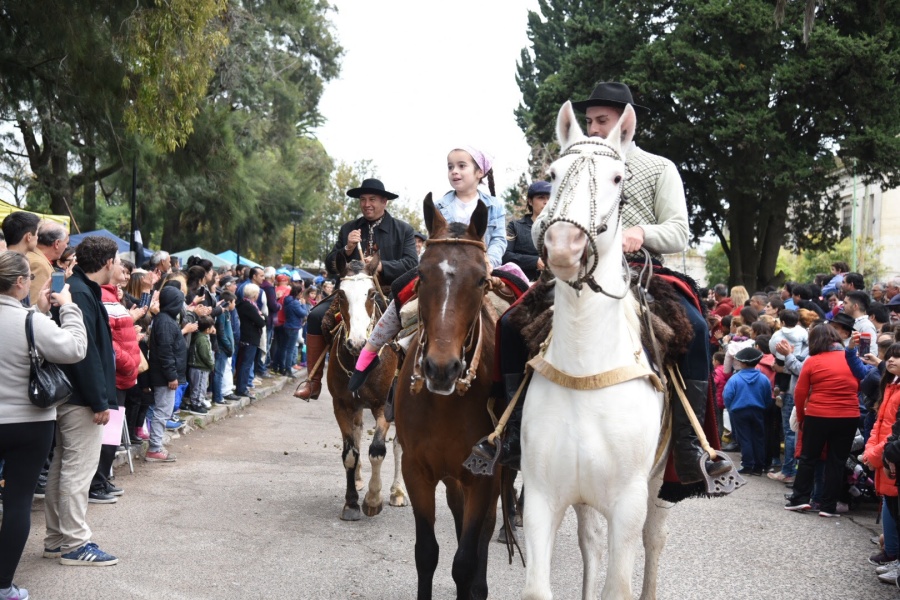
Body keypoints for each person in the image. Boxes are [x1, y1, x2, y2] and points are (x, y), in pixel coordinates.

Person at [499, 82, 729, 486]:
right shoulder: (574, 163)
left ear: (626, 125)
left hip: (645, 271)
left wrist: (640, 231)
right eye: (588, 121)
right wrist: (547, 232)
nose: (592, 128)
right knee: (508, 324)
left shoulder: (659, 168)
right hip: (575, 269)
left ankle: (690, 445)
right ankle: (513, 431)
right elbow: (543, 223)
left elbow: (678, 232)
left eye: (602, 121)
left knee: (695, 328)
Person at [347, 146, 507, 389]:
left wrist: (490, 261)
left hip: (480, 269)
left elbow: (499, 240)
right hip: (443, 269)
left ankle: (516, 378)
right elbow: (435, 240)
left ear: (479, 173)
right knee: (401, 291)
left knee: (521, 291)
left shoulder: (494, 205)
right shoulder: (441, 204)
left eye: (462, 166)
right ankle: (369, 352)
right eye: (450, 166)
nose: (455, 171)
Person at [0, 251, 87, 600]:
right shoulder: (31, 323)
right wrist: (66, 307)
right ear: (21, 282)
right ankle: (3, 585)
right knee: (18, 501)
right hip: (29, 422)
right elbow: (75, 348)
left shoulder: (31, 319)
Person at [294, 178, 418, 400]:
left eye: (372, 199)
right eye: (363, 200)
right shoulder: (348, 229)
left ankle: (410, 383)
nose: (367, 204)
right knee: (316, 316)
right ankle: (313, 382)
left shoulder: (404, 230)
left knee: (412, 321)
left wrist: (381, 266)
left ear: (384, 202)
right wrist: (347, 248)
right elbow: (331, 264)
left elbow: (412, 265)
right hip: (350, 294)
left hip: (386, 293)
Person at [44, 236, 120, 566]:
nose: (119, 267)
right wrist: (99, 400)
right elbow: (84, 354)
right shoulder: (81, 292)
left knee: (63, 468)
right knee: (77, 471)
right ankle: (75, 543)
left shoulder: (76, 288)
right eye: (117, 261)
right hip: (80, 398)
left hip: (71, 395)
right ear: (107, 263)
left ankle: (57, 539)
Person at [785, 324, 861, 517]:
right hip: (849, 415)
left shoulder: (813, 361)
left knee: (809, 458)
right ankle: (828, 506)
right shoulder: (852, 359)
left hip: (818, 414)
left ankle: (800, 499)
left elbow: (800, 393)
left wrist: (802, 418)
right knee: (837, 461)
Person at [89, 256, 144, 504]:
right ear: (107, 266)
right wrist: (128, 361)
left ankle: (101, 479)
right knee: (105, 435)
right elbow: (106, 339)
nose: (124, 269)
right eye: (120, 264)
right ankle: (96, 482)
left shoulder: (112, 295)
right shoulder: (102, 296)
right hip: (116, 373)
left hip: (122, 376)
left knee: (111, 437)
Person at [146, 285, 191, 462]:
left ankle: (156, 444)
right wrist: (172, 376)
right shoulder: (164, 322)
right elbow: (165, 352)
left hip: (167, 376)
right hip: (165, 377)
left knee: (164, 411)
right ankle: (155, 448)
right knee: (162, 412)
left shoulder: (167, 319)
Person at [723, 347, 772, 475]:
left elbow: (727, 396)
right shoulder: (764, 379)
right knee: (758, 438)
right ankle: (758, 467)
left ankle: (747, 465)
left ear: (743, 363)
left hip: (739, 412)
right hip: (758, 411)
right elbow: (768, 396)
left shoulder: (735, 379)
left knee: (744, 439)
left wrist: (730, 408)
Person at [503, 180, 550, 281]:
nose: (546, 202)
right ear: (530, 201)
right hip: (523, 286)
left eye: (550, 198)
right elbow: (505, 256)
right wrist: (535, 261)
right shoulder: (514, 226)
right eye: (541, 197)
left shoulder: (561, 228)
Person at [28, 221, 68, 306]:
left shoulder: (35, 257)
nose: (66, 246)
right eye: (66, 243)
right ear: (57, 243)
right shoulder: (38, 264)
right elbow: (35, 304)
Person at [235, 283, 265, 400]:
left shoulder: (242, 303)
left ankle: (241, 387)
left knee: (243, 363)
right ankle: (241, 388)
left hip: (245, 337)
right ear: (254, 294)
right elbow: (261, 322)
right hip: (249, 338)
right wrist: (263, 317)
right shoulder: (249, 306)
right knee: (246, 364)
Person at [186, 317, 216, 415]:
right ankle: (196, 404)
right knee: (199, 386)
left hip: (200, 367)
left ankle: (198, 401)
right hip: (199, 367)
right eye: (212, 327)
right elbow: (205, 355)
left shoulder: (201, 336)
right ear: (207, 329)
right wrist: (211, 364)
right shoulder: (202, 339)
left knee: (200, 386)